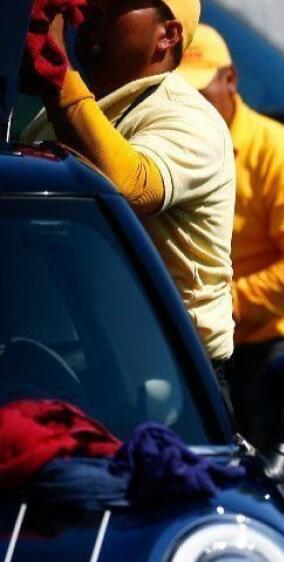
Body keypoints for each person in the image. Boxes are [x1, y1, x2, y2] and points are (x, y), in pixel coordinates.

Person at [21, 0, 237, 380]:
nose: (94, 7)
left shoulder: (188, 116)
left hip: (167, 383)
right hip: (67, 365)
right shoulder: (55, 116)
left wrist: (57, 72)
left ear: (167, 35)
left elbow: (132, 188)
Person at [177, 25, 284, 438]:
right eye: (179, 93)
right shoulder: (170, 146)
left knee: (266, 483)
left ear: (230, 79)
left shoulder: (282, 157)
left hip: (264, 355)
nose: (190, 105)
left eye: (200, 89)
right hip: (188, 346)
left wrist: (229, 302)